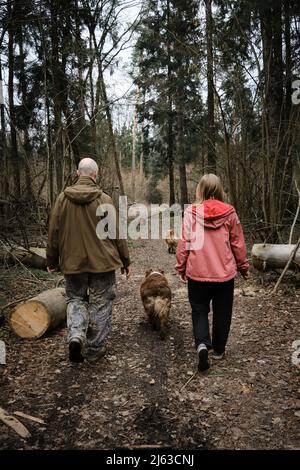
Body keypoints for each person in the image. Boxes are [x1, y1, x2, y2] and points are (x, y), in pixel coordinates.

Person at [47, 158, 132, 364]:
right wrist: (125, 260)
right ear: (96, 175)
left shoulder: (62, 199)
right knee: (101, 303)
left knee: (75, 299)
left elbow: (54, 232)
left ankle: (76, 336)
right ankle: (95, 348)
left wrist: (52, 259)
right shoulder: (104, 199)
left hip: (73, 263)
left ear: (78, 173)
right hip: (102, 263)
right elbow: (116, 234)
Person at [175, 174, 249, 372]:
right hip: (223, 275)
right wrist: (243, 267)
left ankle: (201, 344)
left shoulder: (191, 212)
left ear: (200, 190)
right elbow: (237, 243)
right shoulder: (230, 213)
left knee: (199, 310)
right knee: (223, 312)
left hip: (197, 273)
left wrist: (181, 266)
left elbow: (184, 242)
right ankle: (218, 349)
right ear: (219, 190)